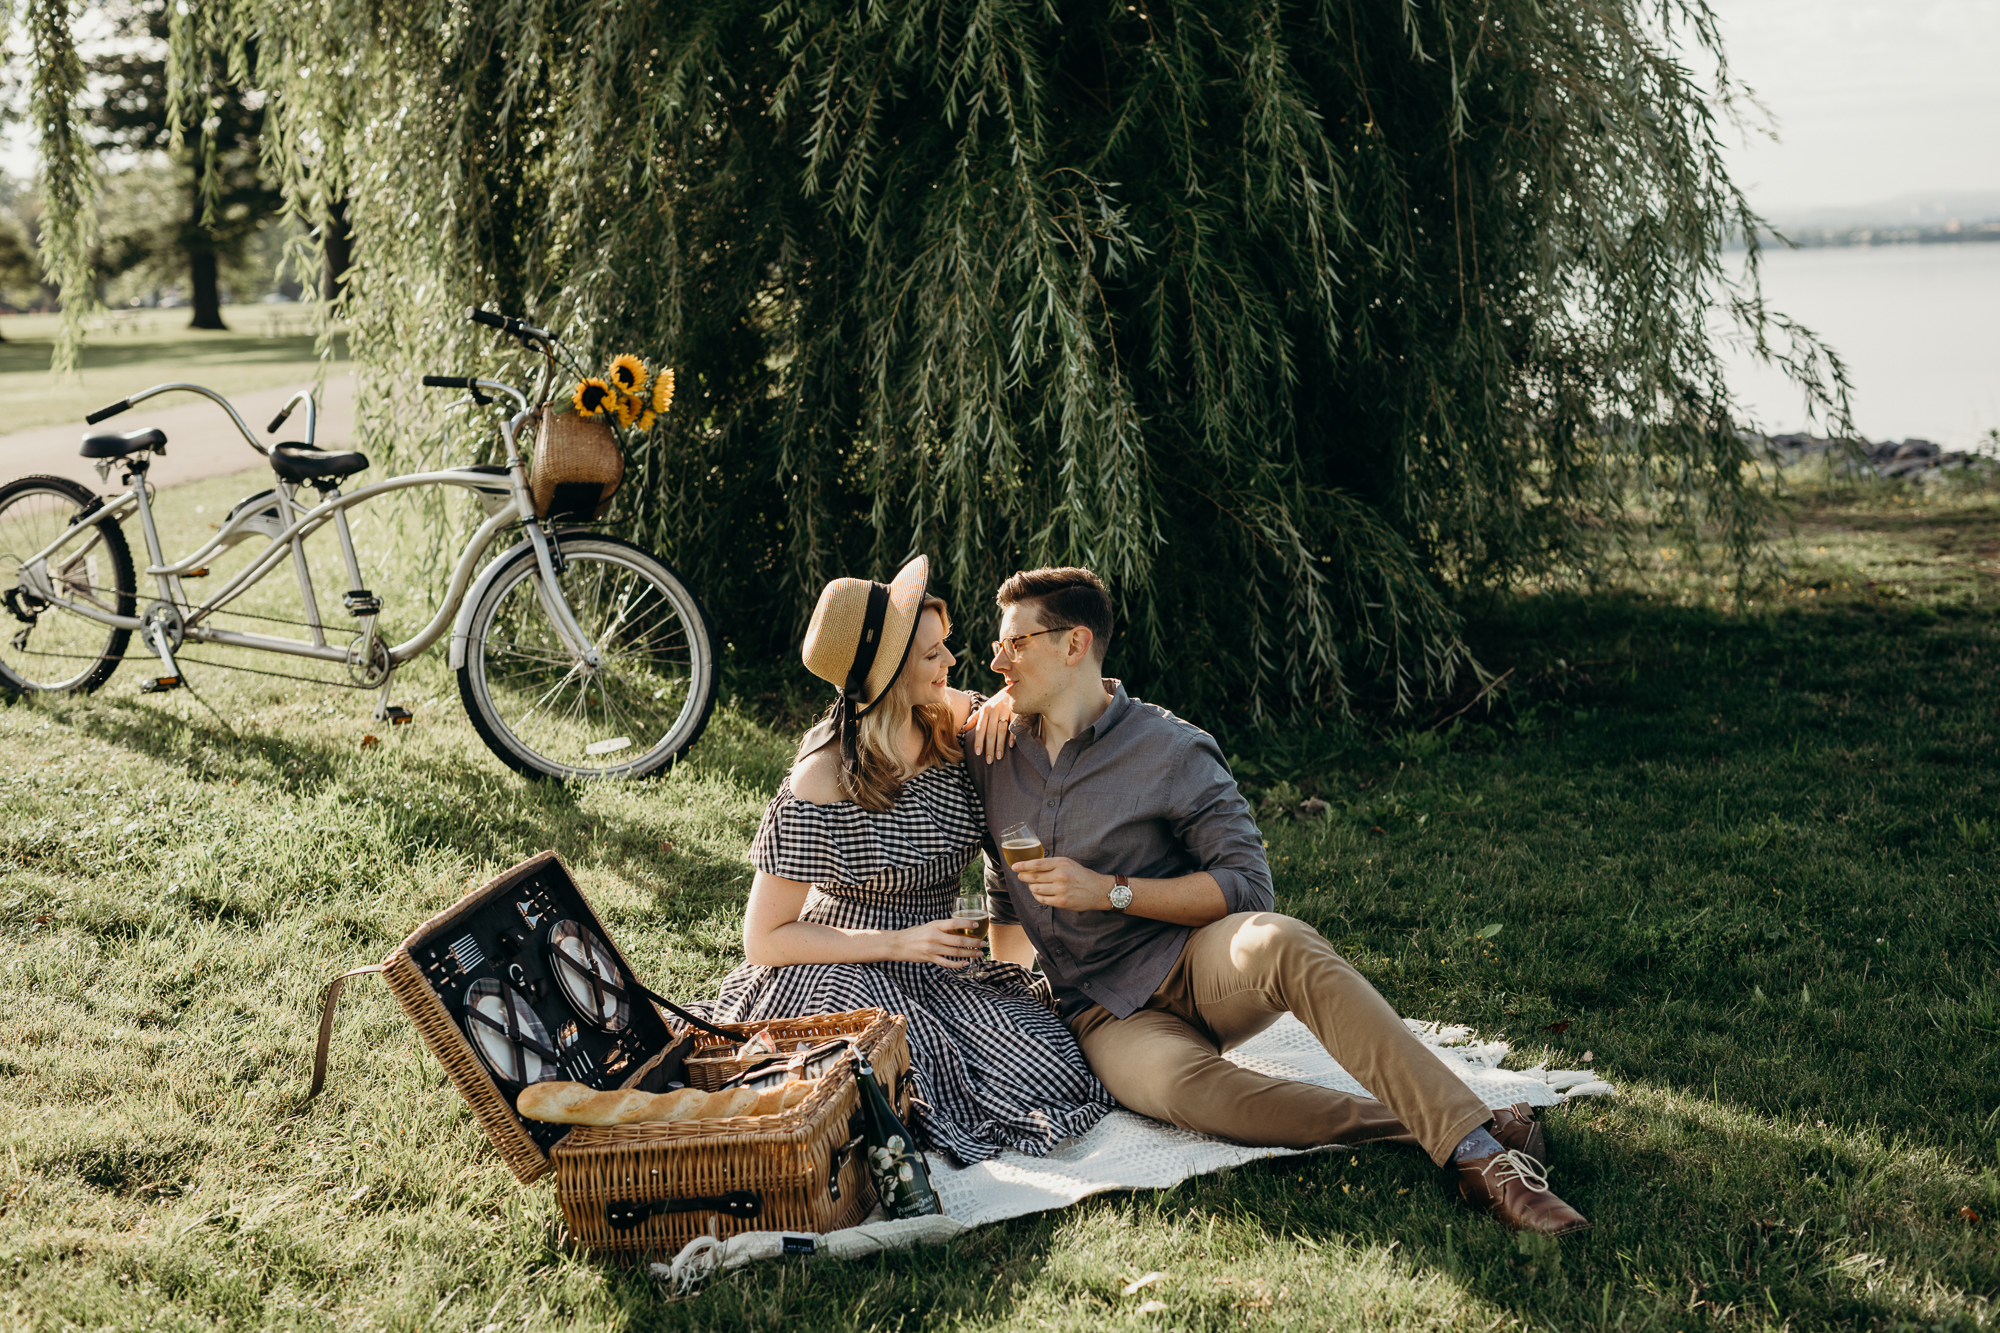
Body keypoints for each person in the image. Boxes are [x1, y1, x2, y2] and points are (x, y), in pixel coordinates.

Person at [962, 566, 1589, 1234]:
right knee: (1182, 1089)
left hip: (1193, 963)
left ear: (1074, 644)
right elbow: (993, 859)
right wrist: (1014, 987)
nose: (998, 658)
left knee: (1281, 940)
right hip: (1105, 1013)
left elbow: (1245, 884)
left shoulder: (1169, 747)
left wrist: (1110, 892)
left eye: (1015, 644)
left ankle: (1482, 1160)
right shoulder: (992, 747)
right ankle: (1461, 1123)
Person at [708, 554, 1115, 1164]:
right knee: (901, 1077)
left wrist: (1008, 706)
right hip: (839, 965)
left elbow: (1045, 714)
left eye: (943, 648)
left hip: (937, 963)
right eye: (931, 656)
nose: (951, 663)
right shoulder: (820, 780)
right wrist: (899, 943)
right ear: (888, 673)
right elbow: (765, 940)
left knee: (1055, 1069)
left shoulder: (955, 722)